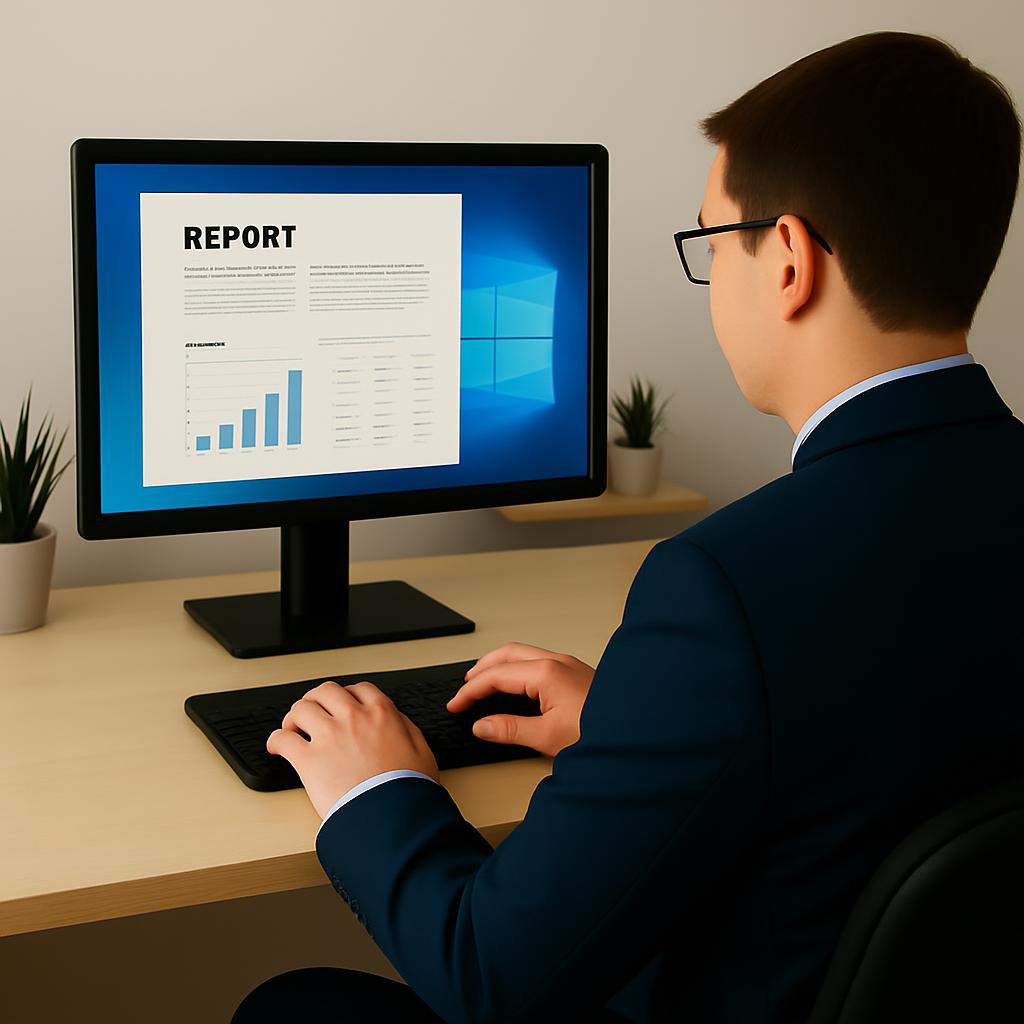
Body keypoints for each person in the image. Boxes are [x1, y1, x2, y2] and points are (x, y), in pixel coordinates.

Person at [232, 29, 1023, 1023]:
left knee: (289, 1005)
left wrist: (377, 788)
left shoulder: (725, 588)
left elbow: (490, 974)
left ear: (785, 260)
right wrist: (639, 727)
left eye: (710, 241)